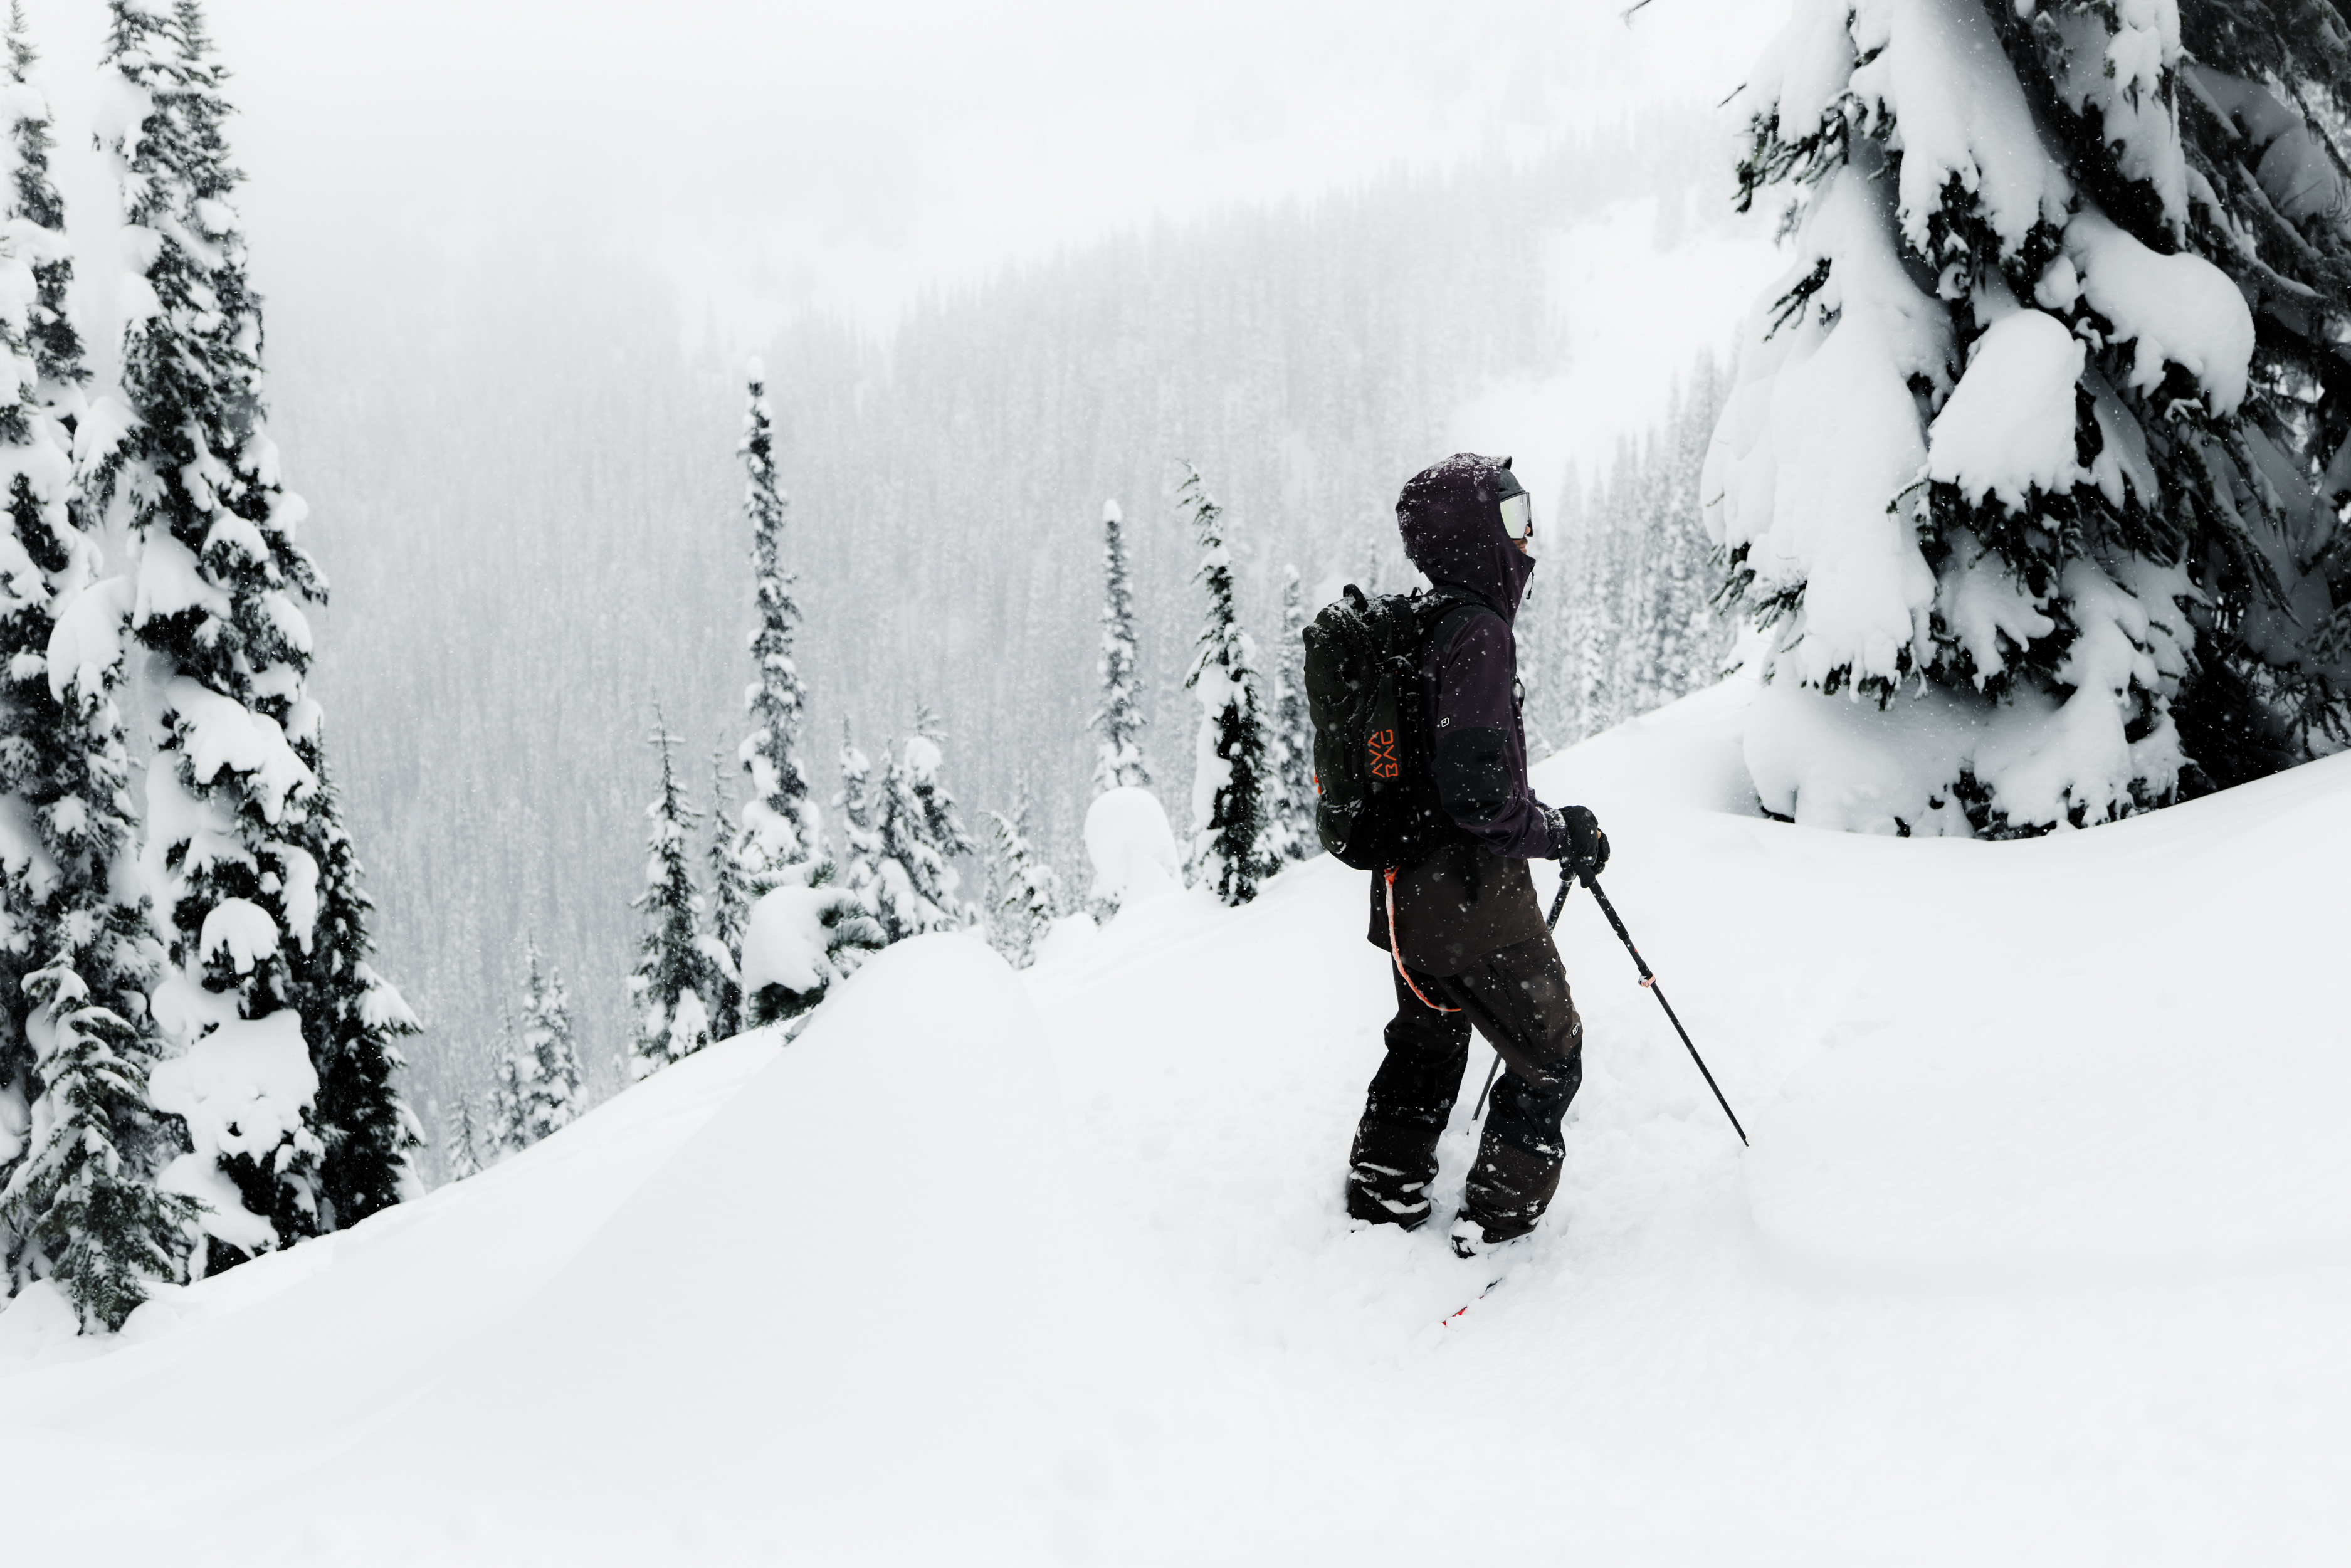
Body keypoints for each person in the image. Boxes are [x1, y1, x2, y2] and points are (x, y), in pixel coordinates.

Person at [1346, 453, 1609, 1258]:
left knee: (1430, 1030)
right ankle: (1495, 1222)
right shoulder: (1479, 634)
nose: (1526, 540)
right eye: (1513, 519)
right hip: (1469, 899)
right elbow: (1482, 801)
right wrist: (1563, 833)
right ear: (1474, 535)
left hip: (1404, 896)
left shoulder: (1419, 622)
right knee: (1550, 1052)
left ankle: (1383, 1185)